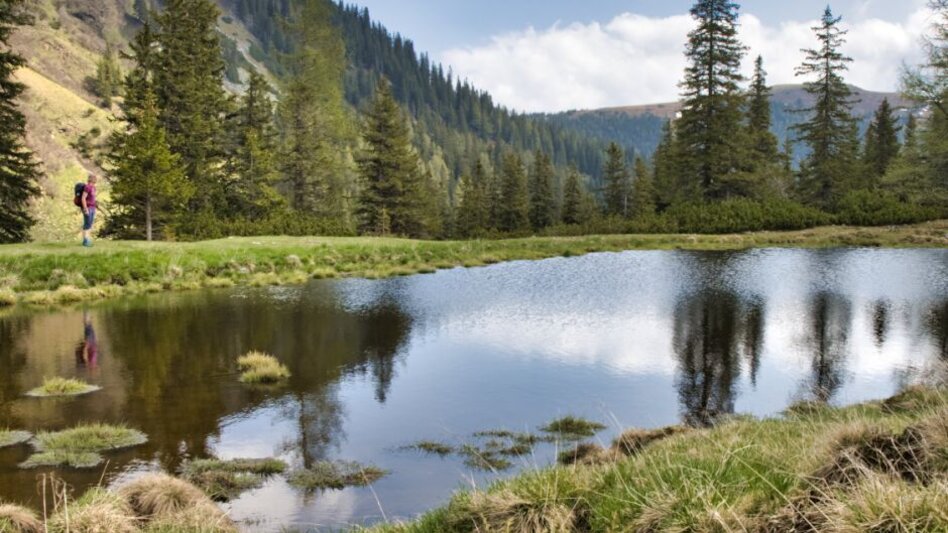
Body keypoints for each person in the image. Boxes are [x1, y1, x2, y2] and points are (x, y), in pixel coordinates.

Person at [80, 173, 98, 247]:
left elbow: (93, 198)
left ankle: (87, 240)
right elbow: (83, 198)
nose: (95, 181)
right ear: (91, 179)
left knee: (89, 224)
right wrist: (85, 209)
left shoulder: (93, 188)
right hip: (88, 208)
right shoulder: (87, 187)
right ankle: (85, 241)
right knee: (86, 225)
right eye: (94, 179)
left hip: (93, 208)